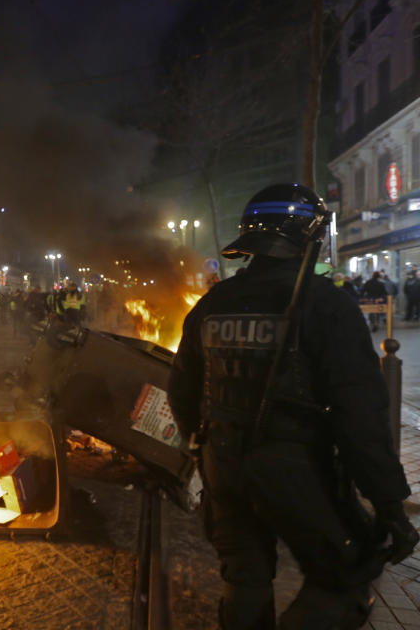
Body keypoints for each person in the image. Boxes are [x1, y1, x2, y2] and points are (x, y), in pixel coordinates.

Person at [168, 184, 418, 629]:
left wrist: (202, 450)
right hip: (296, 464)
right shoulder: (326, 305)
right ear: (308, 237)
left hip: (222, 462)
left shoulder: (211, 304)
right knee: (347, 577)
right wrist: (390, 504)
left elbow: (182, 392)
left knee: (245, 580)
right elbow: (360, 416)